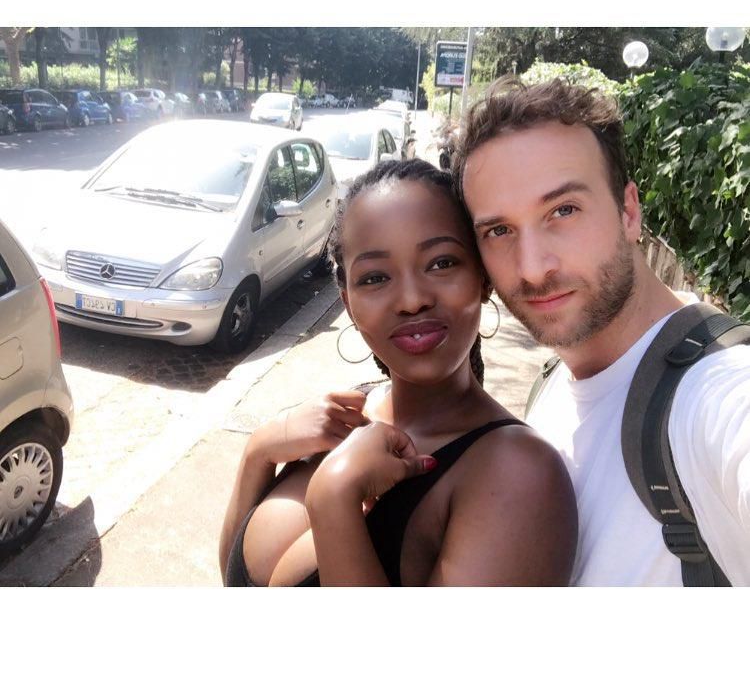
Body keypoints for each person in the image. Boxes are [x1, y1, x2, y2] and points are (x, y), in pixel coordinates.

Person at [219, 159, 577, 586]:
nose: (411, 300)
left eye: (441, 263)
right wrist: (259, 451)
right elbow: (233, 579)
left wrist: (334, 500)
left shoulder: (518, 474)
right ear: (348, 302)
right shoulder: (343, 413)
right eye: (374, 278)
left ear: (483, 279)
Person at [452, 76, 750, 586]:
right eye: (499, 230)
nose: (532, 268)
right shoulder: (553, 383)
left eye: (563, 210)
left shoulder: (717, 397)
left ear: (629, 211)